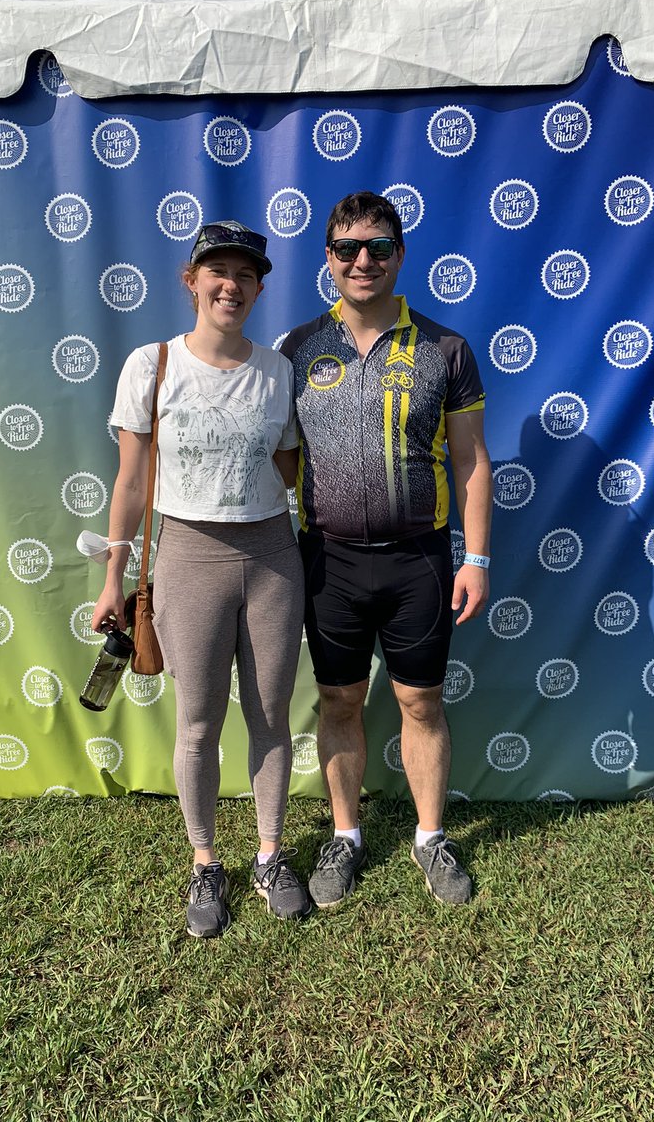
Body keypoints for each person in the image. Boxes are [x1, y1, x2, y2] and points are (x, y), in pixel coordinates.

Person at [92, 221, 310, 938]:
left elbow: (290, 469)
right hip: (187, 556)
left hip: (273, 555)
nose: (231, 285)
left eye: (245, 275)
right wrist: (112, 580)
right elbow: (129, 483)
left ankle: (271, 854)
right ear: (190, 280)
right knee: (198, 722)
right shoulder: (151, 366)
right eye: (216, 271)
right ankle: (205, 861)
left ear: (259, 287)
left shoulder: (279, 372)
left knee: (271, 713)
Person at [279, 191, 492, 907]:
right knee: (338, 702)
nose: (362, 260)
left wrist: (477, 558)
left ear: (400, 255)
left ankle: (431, 838)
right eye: (346, 249)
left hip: (418, 560)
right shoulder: (297, 349)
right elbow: (282, 456)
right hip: (329, 560)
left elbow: (471, 463)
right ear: (327, 261)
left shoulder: (445, 348)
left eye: (377, 247)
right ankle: (346, 835)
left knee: (421, 702)